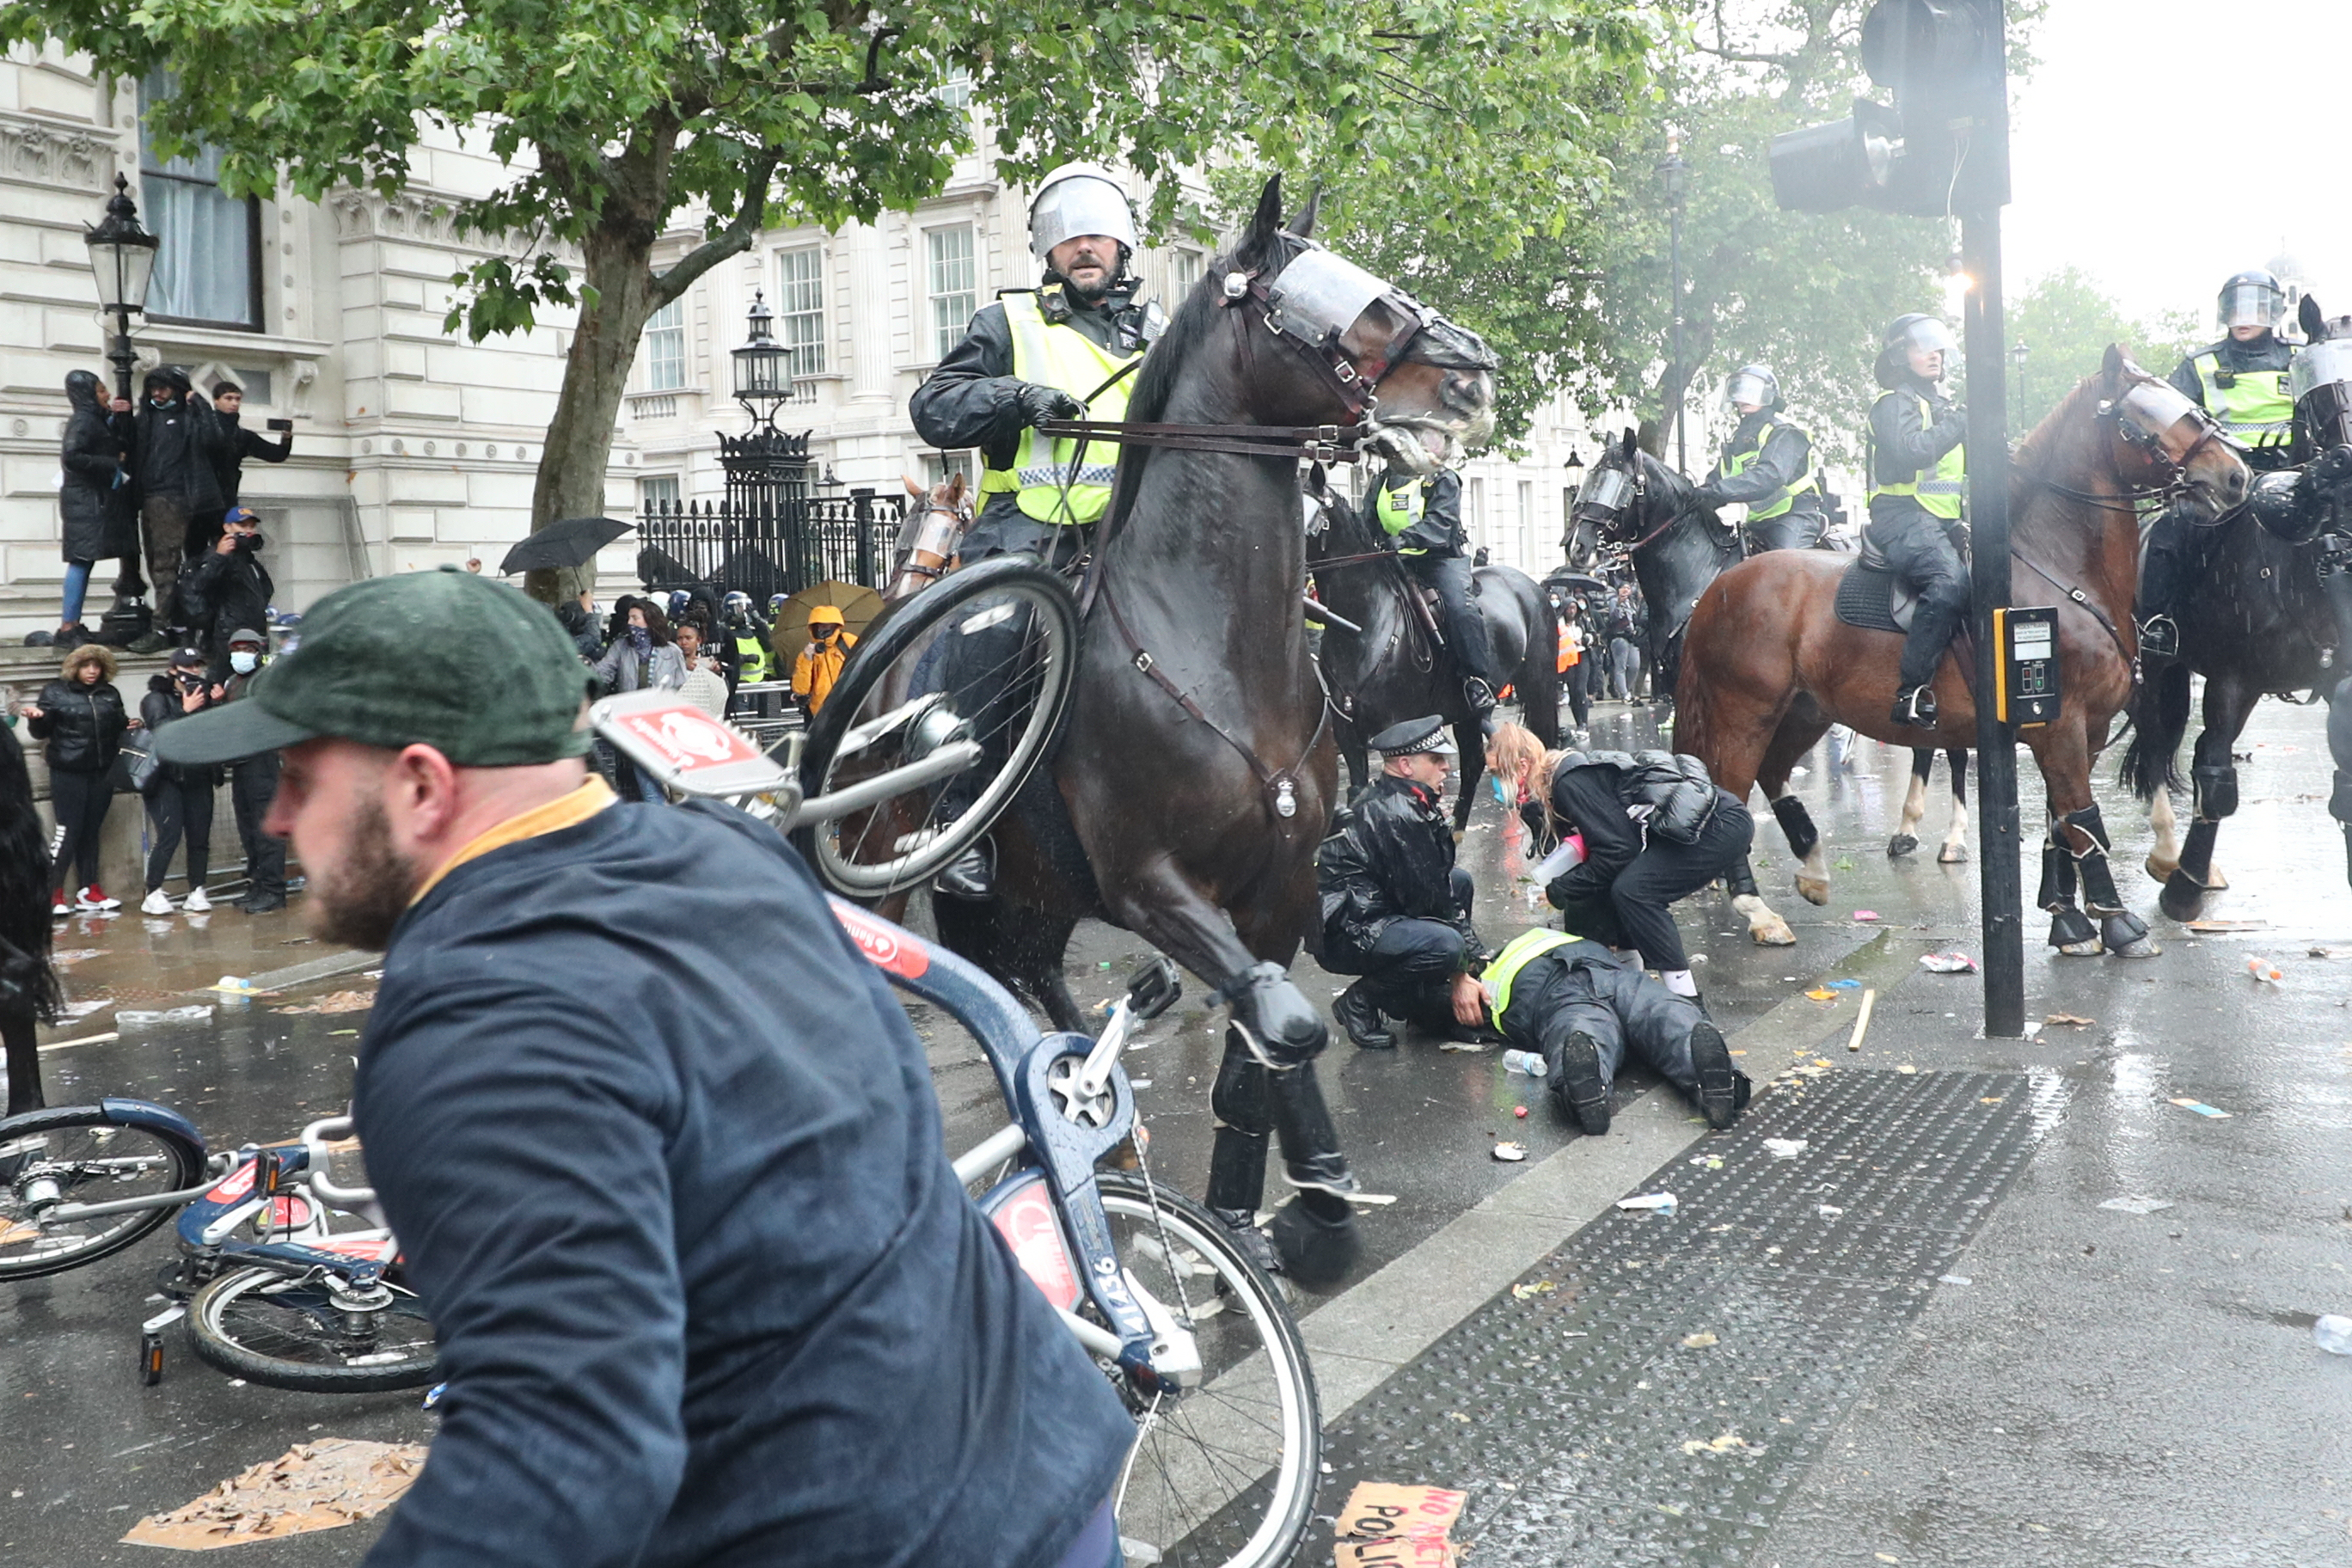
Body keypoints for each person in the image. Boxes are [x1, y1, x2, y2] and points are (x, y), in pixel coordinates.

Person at [148, 566, 1137, 1568]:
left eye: (303, 779)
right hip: (1041, 1467)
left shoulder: (478, 1012)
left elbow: (563, 1448)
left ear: (419, 785)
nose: (275, 820)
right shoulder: (718, 854)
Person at [910, 163, 1161, 898]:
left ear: (1124, 246)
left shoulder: (1160, 333)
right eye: (1070, 236)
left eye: (1100, 235)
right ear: (1049, 251)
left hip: (1131, 535)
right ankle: (952, 819)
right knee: (993, 638)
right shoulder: (1006, 323)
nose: (1087, 247)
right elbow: (935, 406)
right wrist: (1016, 396)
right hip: (1026, 531)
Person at [1487, 722, 1752, 1004]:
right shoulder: (1558, 782)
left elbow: (1618, 851)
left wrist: (1559, 891)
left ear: (1523, 766)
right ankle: (1633, 994)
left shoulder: (1568, 782)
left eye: (1495, 773)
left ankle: (1686, 1003)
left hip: (1720, 824)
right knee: (1625, 888)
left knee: (1635, 891)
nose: (1493, 783)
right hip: (1716, 819)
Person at [2139, 269, 2301, 658]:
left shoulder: (2299, 359)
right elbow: (2171, 423)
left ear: (2274, 312)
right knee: (2170, 530)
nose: (2244, 317)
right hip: (2220, 481)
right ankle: (2159, 624)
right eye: (2235, 308)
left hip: (2293, 475)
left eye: (2255, 308)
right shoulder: (2200, 365)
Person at [1315, 715, 1485, 1050]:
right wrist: (1464, 972)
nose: (1446, 768)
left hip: (1370, 909)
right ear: (1406, 766)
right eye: (1437, 760)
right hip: (1348, 928)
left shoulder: (1404, 797)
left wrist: (1476, 962)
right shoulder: (1396, 811)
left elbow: (1440, 881)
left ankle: (1413, 996)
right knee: (1446, 946)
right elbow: (1428, 901)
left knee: (1460, 882)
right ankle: (1359, 1002)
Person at [1479, 925, 1746, 1135]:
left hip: (1553, 992)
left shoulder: (1483, 979)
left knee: (1580, 1031)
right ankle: (1716, 1075)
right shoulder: (1544, 936)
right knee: (1661, 1011)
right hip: (1604, 968)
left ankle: (1585, 1088)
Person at [1866, 313, 1969, 730]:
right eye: (1920, 347)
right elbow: (1912, 451)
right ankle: (1910, 692)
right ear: (1898, 356)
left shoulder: (1944, 407)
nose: (1934, 354)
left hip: (1944, 519)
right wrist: (1962, 423)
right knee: (1949, 585)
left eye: (1937, 346)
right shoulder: (1893, 404)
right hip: (1901, 516)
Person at [1369, 458, 1498, 714]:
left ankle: (1476, 680)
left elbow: (1440, 524)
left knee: (1460, 609)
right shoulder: (1382, 480)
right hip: (1394, 560)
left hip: (1439, 560)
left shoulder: (1442, 478)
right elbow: (1369, 520)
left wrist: (1405, 538)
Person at [23, 643, 132, 915]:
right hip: (68, 771)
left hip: (102, 771)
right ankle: (52, 893)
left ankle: (89, 890)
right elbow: (40, 732)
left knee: (91, 831)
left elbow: (118, 723)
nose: (92, 671)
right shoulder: (56, 692)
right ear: (76, 667)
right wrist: (37, 719)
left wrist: (131, 724)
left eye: (96, 666)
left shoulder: (109, 693)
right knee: (67, 832)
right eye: (86, 666)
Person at [126, 366, 226, 654]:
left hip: (175, 498)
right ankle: (174, 625)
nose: (158, 394)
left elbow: (214, 440)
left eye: (164, 388)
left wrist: (201, 405)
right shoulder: (145, 419)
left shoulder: (188, 417)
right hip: (150, 498)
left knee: (166, 565)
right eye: (154, 389)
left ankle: (163, 626)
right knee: (158, 564)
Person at [1694, 364, 1827, 552]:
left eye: (1750, 390)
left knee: (1785, 568)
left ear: (1768, 395)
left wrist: (1715, 492)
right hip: (1757, 523)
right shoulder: (1737, 441)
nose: (1743, 397)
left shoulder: (1785, 431)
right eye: (1739, 391)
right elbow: (1717, 481)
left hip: (1794, 516)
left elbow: (1770, 476)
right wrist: (1691, 497)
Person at [55, 370, 138, 646]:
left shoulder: (92, 419)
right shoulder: (82, 421)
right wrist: (112, 462)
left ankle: (72, 623)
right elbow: (73, 456)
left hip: (89, 499)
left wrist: (116, 416)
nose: (107, 395)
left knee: (84, 560)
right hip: (85, 500)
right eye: (102, 390)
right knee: (80, 560)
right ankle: (69, 625)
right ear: (90, 393)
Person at [138, 648, 219, 915]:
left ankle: (197, 888)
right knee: (169, 835)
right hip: (166, 778)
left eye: (197, 666)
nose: (194, 671)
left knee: (199, 836)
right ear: (173, 670)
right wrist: (185, 710)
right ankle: (152, 890)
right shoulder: (155, 699)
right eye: (187, 666)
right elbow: (162, 733)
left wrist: (217, 704)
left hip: (198, 774)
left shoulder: (204, 697)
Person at [215, 628, 290, 914]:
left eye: (247, 649)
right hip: (242, 761)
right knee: (248, 827)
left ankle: (273, 889)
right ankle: (258, 883)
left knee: (266, 827)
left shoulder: (267, 680)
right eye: (236, 648)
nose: (240, 654)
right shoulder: (232, 682)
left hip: (264, 760)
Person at [593, 602, 685, 804]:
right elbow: (603, 672)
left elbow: (683, 687)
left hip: (665, 723)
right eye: (629, 618)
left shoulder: (671, 652)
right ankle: (659, 814)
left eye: (635, 618)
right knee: (647, 780)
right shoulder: (622, 647)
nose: (630, 623)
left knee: (675, 780)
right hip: (636, 724)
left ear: (650, 620)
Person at [184, 505, 274, 674]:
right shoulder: (214, 556)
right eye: (242, 526)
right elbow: (198, 586)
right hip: (228, 636)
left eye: (251, 526)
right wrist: (219, 556)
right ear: (227, 528)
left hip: (256, 633)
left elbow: (266, 590)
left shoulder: (249, 561)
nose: (248, 531)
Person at [206, 379, 292, 530]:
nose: (234, 403)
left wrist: (286, 436)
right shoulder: (201, 429)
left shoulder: (243, 436)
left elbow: (277, 454)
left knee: (225, 541)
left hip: (227, 497)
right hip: (198, 497)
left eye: (237, 399)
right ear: (216, 401)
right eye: (228, 398)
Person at [789, 605, 857, 720]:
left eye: (827, 625)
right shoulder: (806, 654)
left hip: (848, 708)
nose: (822, 629)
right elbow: (801, 689)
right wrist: (807, 659)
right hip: (818, 714)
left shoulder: (848, 642)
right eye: (819, 625)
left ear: (836, 626)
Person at [718, 591, 771, 698]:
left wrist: (757, 619)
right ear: (730, 609)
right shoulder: (724, 631)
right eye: (740, 606)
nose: (744, 610)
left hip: (759, 684)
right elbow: (723, 657)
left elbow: (769, 645)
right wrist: (743, 658)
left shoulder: (751, 629)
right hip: (740, 686)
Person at [672, 622, 730, 720]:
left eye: (688, 638)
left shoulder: (707, 663)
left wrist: (716, 673)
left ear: (698, 640)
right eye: (679, 639)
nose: (684, 643)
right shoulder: (671, 664)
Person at [1605, 582, 1646, 703]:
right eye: (1623, 588)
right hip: (1619, 636)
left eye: (1628, 588)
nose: (1625, 590)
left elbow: (1636, 618)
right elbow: (1613, 618)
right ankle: (1624, 694)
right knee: (1620, 666)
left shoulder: (1632, 603)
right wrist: (1619, 604)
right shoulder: (1614, 601)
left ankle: (1626, 690)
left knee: (1634, 666)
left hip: (1632, 637)